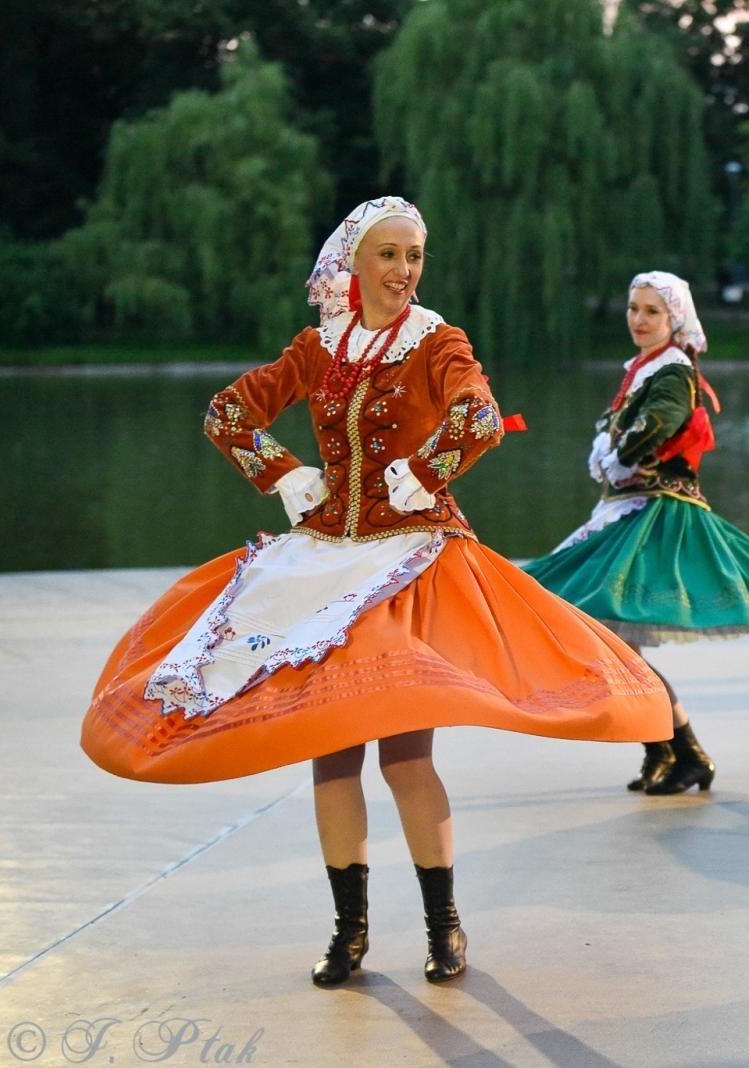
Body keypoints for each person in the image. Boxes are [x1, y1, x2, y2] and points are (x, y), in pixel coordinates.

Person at [81, 197, 673, 988]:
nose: (403, 271)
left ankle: (443, 927)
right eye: (389, 255)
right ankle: (349, 933)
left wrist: (424, 470)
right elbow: (227, 412)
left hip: (408, 561)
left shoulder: (437, 340)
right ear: (354, 263)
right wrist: (284, 471)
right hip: (323, 556)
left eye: (415, 257)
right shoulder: (319, 345)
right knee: (332, 758)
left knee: (404, 757)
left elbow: (482, 415)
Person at [525, 271, 749, 794]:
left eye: (651, 311)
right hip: (626, 510)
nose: (638, 319)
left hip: (656, 516)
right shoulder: (643, 368)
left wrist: (620, 453)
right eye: (634, 308)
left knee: (606, 635)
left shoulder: (673, 371)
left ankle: (680, 751)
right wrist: (614, 454)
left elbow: (656, 425)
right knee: (614, 643)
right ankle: (670, 751)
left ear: (673, 318)